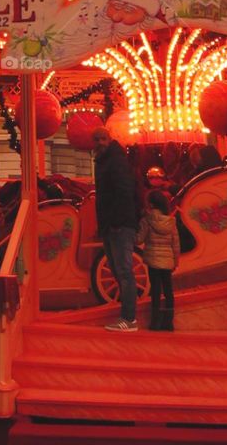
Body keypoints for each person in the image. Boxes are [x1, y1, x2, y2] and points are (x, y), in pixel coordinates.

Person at [92, 126, 139, 332]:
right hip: (112, 223)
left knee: (123, 270)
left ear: (109, 139)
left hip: (118, 223)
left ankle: (129, 318)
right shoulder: (104, 161)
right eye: (96, 139)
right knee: (118, 270)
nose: (100, 143)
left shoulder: (115, 160)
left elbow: (123, 190)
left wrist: (116, 220)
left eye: (103, 138)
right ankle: (127, 314)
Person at [137, 187, 180, 330]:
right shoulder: (171, 222)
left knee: (155, 291)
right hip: (167, 261)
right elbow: (175, 244)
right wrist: (175, 261)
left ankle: (155, 322)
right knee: (168, 291)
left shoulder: (146, 221)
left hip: (153, 261)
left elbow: (139, 239)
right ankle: (169, 322)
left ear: (151, 204)